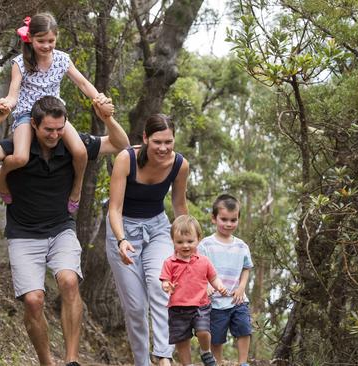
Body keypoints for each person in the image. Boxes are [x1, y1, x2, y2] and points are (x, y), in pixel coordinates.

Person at [0, 95, 128, 366]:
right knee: (34, 301)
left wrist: (106, 117)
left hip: (61, 228)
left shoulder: (73, 146)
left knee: (70, 281)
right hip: (23, 233)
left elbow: (121, 144)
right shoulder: (15, 147)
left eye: (60, 129)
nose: (55, 135)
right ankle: (46, 362)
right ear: (34, 125)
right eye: (48, 129)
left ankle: (72, 360)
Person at [0, 12, 114, 213]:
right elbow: (13, 94)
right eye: (41, 41)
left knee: (80, 151)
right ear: (30, 38)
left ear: (56, 38)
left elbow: (83, 83)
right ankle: (2, 176)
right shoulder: (20, 63)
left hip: (54, 113)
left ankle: (75, 189)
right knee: (20, 158)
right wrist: (6, 103)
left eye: (51, 40)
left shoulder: (61, 59)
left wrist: (99, 98)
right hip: (28, 114)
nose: (47, 45)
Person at [106, 114, 190, 366]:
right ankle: (142, 362)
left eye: (169, 142)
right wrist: (121, 240)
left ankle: (163, 355)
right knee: (135, 308)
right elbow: (114, 209)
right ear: (145, 138)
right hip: (123, 230)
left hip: (158, 229)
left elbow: (179, 204)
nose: (163, 148)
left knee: (160, 283)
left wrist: (189, 241)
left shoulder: (180, 165)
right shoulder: (126, 159)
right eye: (157, 142)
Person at [160, 215, 228, 366]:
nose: (185, 245)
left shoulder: (204, 261)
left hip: (200, 306)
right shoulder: (169, 262)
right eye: (180, 242)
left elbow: (213, 278)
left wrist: (220, 286)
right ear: (173, 241)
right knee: (182, 340)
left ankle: (205, 352)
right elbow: (165, 280)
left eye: (190, 241)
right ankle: (187, 364)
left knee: (204, 332)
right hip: (177, 309)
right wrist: (166, 285)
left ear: (198, 239)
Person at [198, 194, 254, 366]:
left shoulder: (242, 246)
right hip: (215, 301)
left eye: (233, 220)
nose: (229, 224)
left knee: (244, 329)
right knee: (217, 337)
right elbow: (199, 269)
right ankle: (218, 362)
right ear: (214, 218)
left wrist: (242, 287)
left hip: (237, 299)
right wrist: (206, 286)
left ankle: (243, 363)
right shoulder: (205, 245)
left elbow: (246, 268)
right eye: (224, 219)